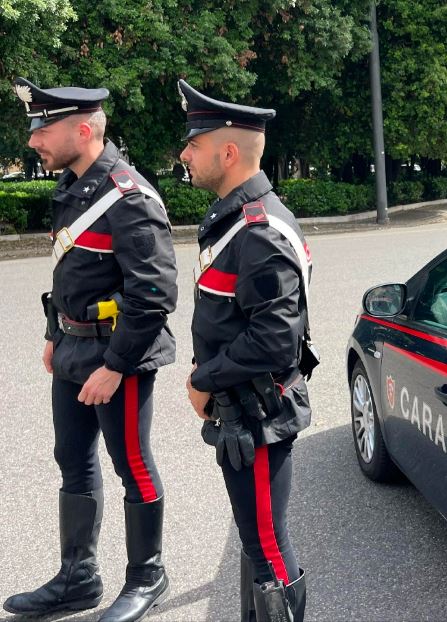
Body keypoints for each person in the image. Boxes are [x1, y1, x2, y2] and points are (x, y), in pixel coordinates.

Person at [3, 78, 177, 621]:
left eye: (43, 128)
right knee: (72, 463)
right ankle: (78, 578)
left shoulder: (129, 197)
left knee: (133, 467)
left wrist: (116, 367)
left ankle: (147, 577)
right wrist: (55, 336)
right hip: (74, 352)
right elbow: (69, 274)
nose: (34, 140)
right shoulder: (74, 188)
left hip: (117, 358)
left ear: (83, 129)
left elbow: (153, 296)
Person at [178, 79, 314, 622]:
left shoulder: (258, 230)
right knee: (257, 541)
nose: (185, 154)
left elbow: (276, 339)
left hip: (256, 417)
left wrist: (203, 379)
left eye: (194, 143)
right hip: (242, 412)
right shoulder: (238, 217)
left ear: (227, 152)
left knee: (268, 549)